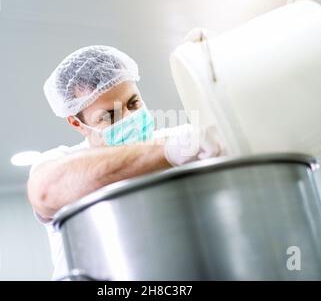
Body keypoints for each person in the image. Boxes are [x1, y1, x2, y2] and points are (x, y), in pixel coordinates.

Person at [27, 44, 224, 280]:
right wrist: (168, 151)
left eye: (133, 103)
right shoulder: (63, 162)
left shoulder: (185, 140)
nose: (130, 118)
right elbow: (45, 191)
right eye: (110, 116)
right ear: (77, 124)